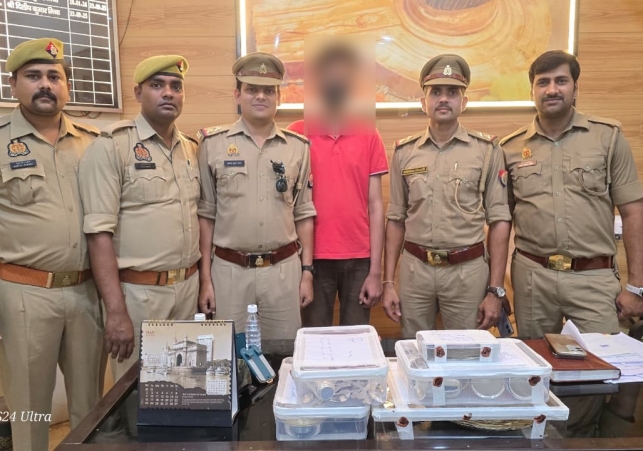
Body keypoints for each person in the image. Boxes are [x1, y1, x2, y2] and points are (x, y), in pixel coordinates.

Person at [0, 38, 104, 451]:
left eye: (54, 76)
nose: (45, 84)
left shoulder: (95, 142)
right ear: (13, 85)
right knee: (30, 408)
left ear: (67, 86)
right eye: (33, 76)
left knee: (91, 406)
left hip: (87, 291)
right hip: (24, 293)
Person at [501, 50, 643, 338]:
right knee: (536, 360)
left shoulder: (608, 137)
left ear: (576, 88)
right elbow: (501, 220)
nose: (552, 89)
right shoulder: (510, 148)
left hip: (593, 278)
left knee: (603, 361)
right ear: (532, 91)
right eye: (543, 82)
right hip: (533, 279)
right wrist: (496, 288)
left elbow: (633, 213)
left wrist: (636, 287)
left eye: (561, 81)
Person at [79, 55, 200, 381]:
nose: (168, 93)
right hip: (139, 296)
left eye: (176, 86)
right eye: (157, 85)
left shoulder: (190, 148)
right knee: (137, 393)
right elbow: (98, 234)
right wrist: (116, 311)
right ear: (137, 92)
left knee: (185, 389)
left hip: (187, 291)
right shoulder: (112, 146)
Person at [382, 54, 512, 338]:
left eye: (452, 92)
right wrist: (388, 282)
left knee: (466, 350)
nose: (443, 99)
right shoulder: (404, 152)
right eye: (435, 92)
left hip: (467, 272)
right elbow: (395, 219)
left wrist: (495, 290)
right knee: (415, 348)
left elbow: (500, 220)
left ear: (464, 102)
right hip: (415, 271)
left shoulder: (487, 150)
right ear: (423, 102)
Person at [197, 52, 316, 340]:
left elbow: (303, 213)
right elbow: (206, 215)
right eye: (252, 89)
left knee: (284, 353)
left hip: (283, 272)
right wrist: (205, 280)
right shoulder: (212, 145)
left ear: (279, 98)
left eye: (269, 90)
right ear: (237, 95)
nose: (260, 96)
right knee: (230, 356)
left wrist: (307, 272)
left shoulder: (298, 147)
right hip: (229, 273)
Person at [287, 41, 388, 327]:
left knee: (356, 339)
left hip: (359, 259)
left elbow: (376, 206)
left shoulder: (369, 134)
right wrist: (304, 267)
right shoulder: (296, 134)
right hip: (312, 259)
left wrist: (376, 272)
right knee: (314, 337)